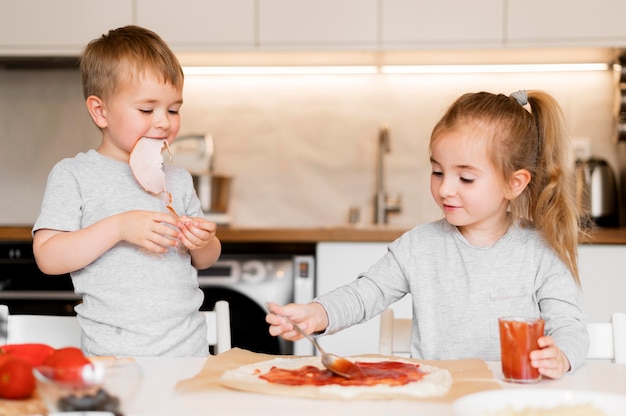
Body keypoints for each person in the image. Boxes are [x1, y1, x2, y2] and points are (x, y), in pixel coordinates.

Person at [267, 90, 590, 379]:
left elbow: (569, 326)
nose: (445, 188)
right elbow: (364, 294)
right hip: (436, 400)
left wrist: (560, 355)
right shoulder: (419, 246)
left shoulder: (540, 251)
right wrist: (316, 313)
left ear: (514, 183)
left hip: (508, 401)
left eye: (465, 178)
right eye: (437, 172)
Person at [32, 25, 221, 357]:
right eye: (147, 110)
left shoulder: (178, 178)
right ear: (101, 111)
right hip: (113, 359)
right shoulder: (75, 175)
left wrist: (204, 242)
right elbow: (48, 257)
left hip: (188, 356)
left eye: (173, 109)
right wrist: (118, 227)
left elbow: (205, 260)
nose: (164, 122)